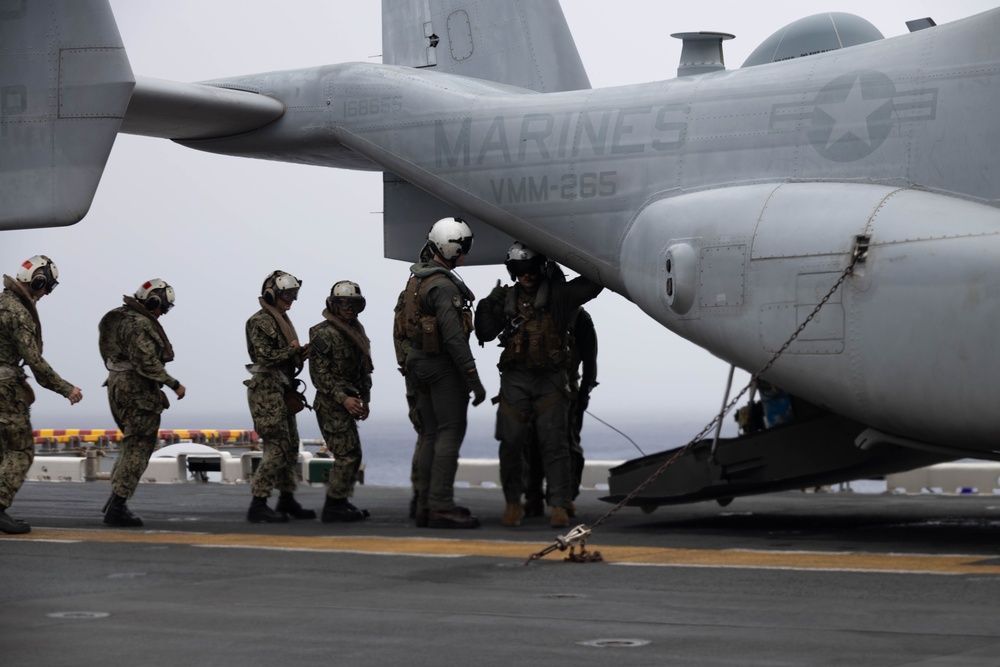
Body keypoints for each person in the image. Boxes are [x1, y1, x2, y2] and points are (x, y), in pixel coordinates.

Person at [474, 242, 602, 529]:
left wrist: (569, 249)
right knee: (511, 443)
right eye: (520, 270)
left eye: (531, 268)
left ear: (541, 269)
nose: (526, 275)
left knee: (555, 445)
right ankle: (513, 502)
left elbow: (594, 282)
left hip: (551, 380)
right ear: (512, 271)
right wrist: (488, 304)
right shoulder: (504, 301)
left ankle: (558, 504)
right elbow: (484, 332)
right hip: (515, 380)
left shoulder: (559, 298)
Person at [400, 217, 486, 529]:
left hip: (417, 363)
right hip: (441, 367)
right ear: (453, 250)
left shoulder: (417, 278)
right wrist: (473, 377)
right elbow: (453, 337)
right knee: (449, 433)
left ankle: (424, 504)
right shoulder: (444, 286)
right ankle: (440, 506)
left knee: (430, 434)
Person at [0, 256, 82, 534]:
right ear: (37, 282)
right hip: (4, 391)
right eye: (47, 287)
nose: (46, 293)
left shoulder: (1, 303)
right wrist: (65, 388)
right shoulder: (17, 313)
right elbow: (33, 360)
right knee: (20, 450)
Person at [98, 279, 186, 527]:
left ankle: (113, 499)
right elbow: (146, 362)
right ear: (153, 301)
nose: (162, 313)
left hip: (116, 383)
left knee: (130, 443)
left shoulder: (114, 317)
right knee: (139, 446)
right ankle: (118, 505)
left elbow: (108, 351)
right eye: (163, 308)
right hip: (136, 387)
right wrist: (173, 383)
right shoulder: (140, 324)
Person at [244, 270, 313, 523]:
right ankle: (258, 503)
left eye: (294, 295)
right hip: (266, 391)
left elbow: (282, 355)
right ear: (272, 294)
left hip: (281, 388)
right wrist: (291, 350)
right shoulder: (261, 320)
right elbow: (264, 357)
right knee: (276, 446)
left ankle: (286, 498)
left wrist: (298, 354)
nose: (291, 300)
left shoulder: (280, 319)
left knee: (290, 446)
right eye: (286, 294)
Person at [524, 305, 598, 518]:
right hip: (533, 388)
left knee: (567, 444)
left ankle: (565, 497)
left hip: (567, 389)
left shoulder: (577, 315)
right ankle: (533, 496)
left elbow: (589, 359)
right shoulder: (528, 310)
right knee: (532, 443)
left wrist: (584, 391)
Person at [309, 280, 373, 522]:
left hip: (349, 401)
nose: (350, 308)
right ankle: (334, 506)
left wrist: (364, 399)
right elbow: (319, 376)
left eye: (355, 304)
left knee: (352, 454)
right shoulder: (322, 333)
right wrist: (343, 399)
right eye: (344, 303)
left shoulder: (357, 332)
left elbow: (363, 370)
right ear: (333, 305)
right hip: (331, 404)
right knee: (346, 454)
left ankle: (340, 502)